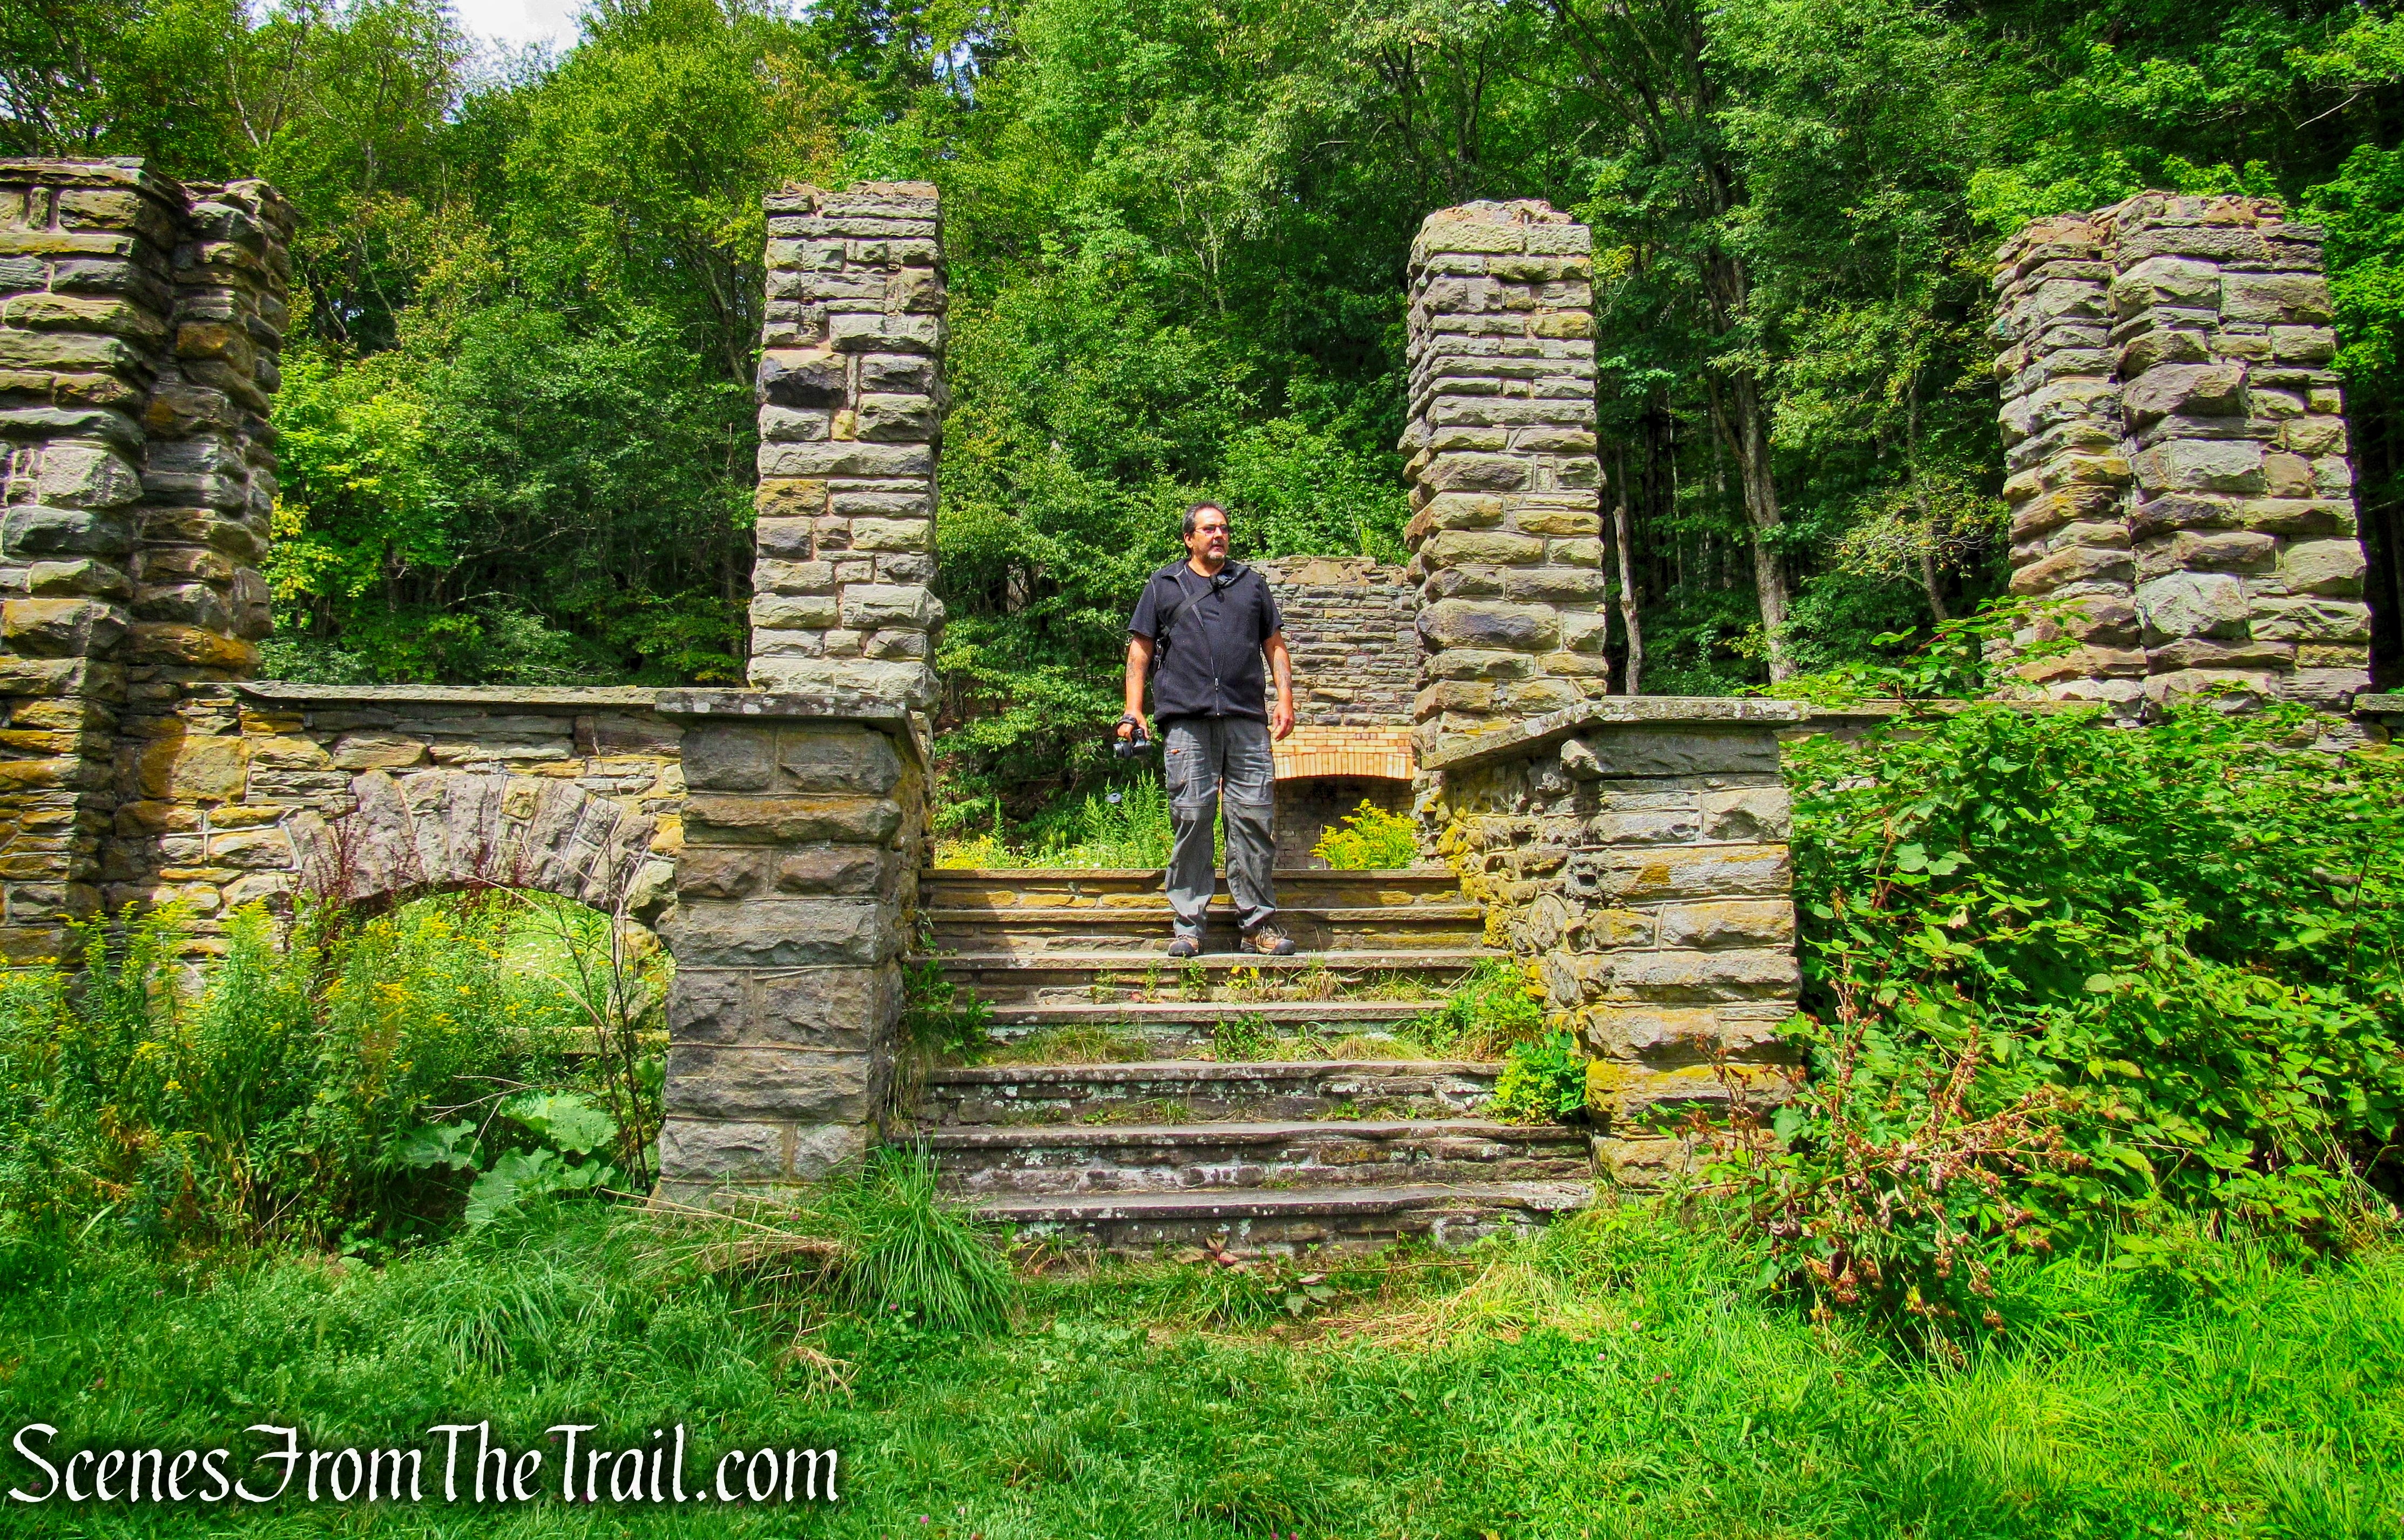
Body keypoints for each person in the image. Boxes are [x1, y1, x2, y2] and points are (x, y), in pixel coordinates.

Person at [1119, 502, 1297, 957]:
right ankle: (1189, 927)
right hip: (1187, 721)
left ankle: (1259, 925)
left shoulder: (1251, 584)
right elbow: (1140, 652)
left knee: (1254, 820)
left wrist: (1286, 700)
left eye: (1223, 529)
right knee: (1193, 819)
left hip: (1246, 720)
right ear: (1189, 538)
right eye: (1208, 529)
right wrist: (1133, 711)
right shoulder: (1165, 584)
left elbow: (1275, 646)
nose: (1218, 535)